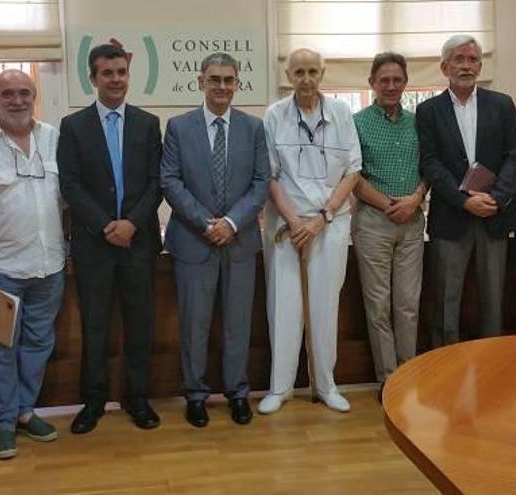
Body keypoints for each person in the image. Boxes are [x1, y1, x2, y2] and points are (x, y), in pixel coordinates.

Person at [0, 69, 65, 459]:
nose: (17, 100)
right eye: (8, 94)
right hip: (1, 268)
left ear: (34, 95)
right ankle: (0, 424)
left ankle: (23, 411)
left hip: (49, 266)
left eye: (24, 92)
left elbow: (67, 198)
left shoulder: (54, 138)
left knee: (39, 343)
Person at [58, 44, 163, 433]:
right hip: (94, 245)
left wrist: (131, 223)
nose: (116, 79)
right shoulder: (73, 126)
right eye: (107, 73)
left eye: (121, 72)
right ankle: (94, 401)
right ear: (93, 78)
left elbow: (157, 182)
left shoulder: (147, 123)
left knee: (140, 326)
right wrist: (106, 225)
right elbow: (70, 183)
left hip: (138, 242)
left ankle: (138, 399)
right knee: (96, 327)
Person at [161, 52, 269, 427]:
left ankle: (238, 393)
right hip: (194, 241)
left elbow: (260, 183)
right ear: (201, 82)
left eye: (228, 80)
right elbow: (170, 180)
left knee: (239, 323)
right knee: (195, 323)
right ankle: (195, 394)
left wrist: (232, 223)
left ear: (238, 83)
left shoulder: (254, 128)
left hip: (239, 242)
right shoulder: (178, 126)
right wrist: (207, 223)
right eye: (214, 79)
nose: (221, 86)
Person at [259, 48, 361, 415]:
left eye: (312, 71)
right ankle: (280, 387)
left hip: (329, 224)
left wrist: (323, 217)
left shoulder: (341, 113)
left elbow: (352, 170)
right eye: (298, 72)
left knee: (324, 305)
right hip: (286, 224)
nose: (306, 78)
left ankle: (326, 384)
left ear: (323, 73)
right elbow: (269, 174)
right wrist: (295, 219)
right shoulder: (274, 115)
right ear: (288, 75)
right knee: (283, 306)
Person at [416, 35, 516, 347]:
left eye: (472, 59)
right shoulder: (428, 110)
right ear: (444, 66)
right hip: (451, 216)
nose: (466, 65)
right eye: (459, 59)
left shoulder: (501, 104)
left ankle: (491, 361)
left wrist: (497, 198)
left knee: (493, 298)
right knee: (445, 300)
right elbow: (430, 163)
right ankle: (444, 363)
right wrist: (464, 201)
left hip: (493, 214)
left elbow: (514, 156)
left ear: (480, 65)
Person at [351, 52, 426, 397]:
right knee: (378, 304)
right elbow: (353, 175)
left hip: (412, 223)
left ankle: (408, 375)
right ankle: (388, 378)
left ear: (406, 83)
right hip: (373, 222)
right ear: (372, 84)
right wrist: (388, 205)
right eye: (384, 80)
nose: (391, 86)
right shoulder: (356, 123)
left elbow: (430, 168)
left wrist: (414, 200)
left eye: (397, 80)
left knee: (408, 304)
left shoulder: (419, 122)